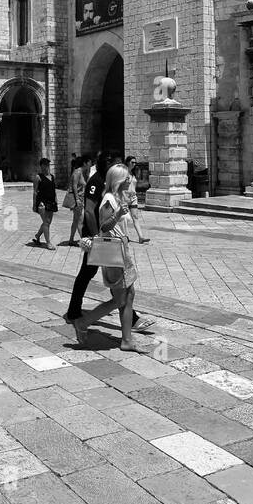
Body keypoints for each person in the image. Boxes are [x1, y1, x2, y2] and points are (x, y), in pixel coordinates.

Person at [64, 150, 152, 333]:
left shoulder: (106, 182)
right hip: (100, 238)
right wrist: (98, 238)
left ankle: (76, 312)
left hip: (106, 239)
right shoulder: (96, 182)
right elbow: (89, 211)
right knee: (95, 275)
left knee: (93, 275)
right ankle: (128, 319)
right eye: (115, 164)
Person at [73, 164, 140, 352]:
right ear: (118, 179)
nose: (129, 180)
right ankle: (83, 322)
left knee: (130, 295)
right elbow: (104, 227)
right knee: (120, 300)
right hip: (113, 253)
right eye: (126, 178)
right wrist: (119, 213)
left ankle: (127, 340)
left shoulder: (118, 197)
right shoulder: (109, 199)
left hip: (122, 250)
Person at [32, 157, 58, 249]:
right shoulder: (38, 177)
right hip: (42, 203)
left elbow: (53, 190)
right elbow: (35, 191)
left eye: (47, 164)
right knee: (46, 222)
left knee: (48, 222)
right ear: (41, 166)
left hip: (51, 202)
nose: (46, 166)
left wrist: (56, 200)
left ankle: (37, 236)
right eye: (44, 165)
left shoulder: (52, 177)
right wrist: (34, 205)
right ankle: (48, 243)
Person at [63, 153, 88, 246]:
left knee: (76, 220)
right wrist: (77, 199)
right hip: (77, 200)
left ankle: (71, 240)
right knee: (80, 220)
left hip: (80, 199)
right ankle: (84, 241)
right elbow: (74, 185)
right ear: (84, 163)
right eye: (89, 162)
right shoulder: (78, 172)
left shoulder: (81, 172)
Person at [124, 155, 150, 244]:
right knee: (125, 218)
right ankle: (125, 236)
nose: (134, 164)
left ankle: (141, 237)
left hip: (133, 197)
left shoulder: (133, 173)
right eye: (132, 162)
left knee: (135, 217)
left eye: (135, 162)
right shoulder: (123, 173)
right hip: (125, 197)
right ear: (127, 162)